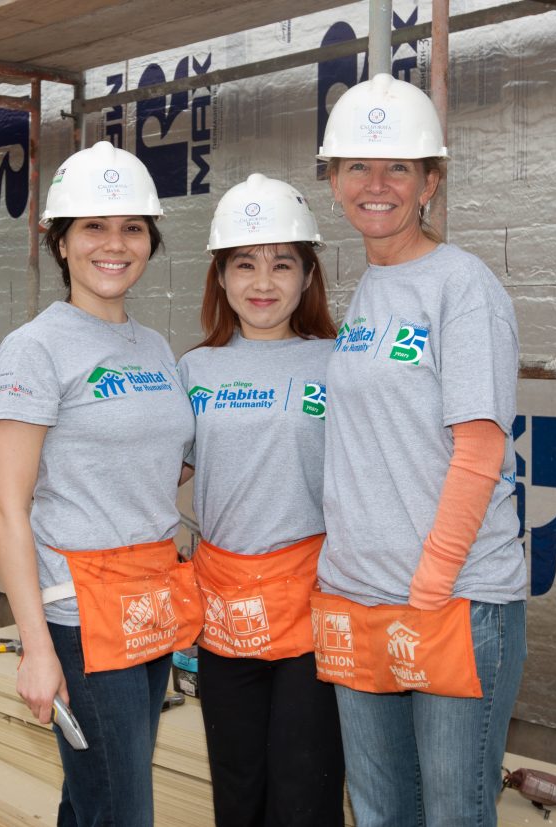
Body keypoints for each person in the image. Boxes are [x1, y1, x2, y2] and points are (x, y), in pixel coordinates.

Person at [311, 74, 527, 827]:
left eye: (399, 166)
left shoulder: (462, 287)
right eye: (357, 168)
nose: (377, 185)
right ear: (334, 180)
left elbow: (479, 448)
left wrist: (428, 587)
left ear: (431, 180)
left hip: (449, 599)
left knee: (453, 812)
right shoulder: (370, 288)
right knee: (378, 810)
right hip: (358, 595)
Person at [0, 141, 202, 827]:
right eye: (94, 227)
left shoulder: (153, 346)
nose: (116, 244)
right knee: (123, 810)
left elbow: (166, 466)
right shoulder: (36, 348)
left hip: (150, 606)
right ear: (60, 241)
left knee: (95, 801)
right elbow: (5, 509)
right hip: (79, 621)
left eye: (132, 227)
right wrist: (36, 648)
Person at [177, 173, 345, 827]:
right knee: (238, 791)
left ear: (308, 275)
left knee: (304, 793)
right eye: (244, 264)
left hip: (315, 607)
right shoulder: (194, 371)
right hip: (225, 615)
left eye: (282, 263)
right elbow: (154, 476)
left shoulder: (339, 362)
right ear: (220, 277)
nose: (263, 282)